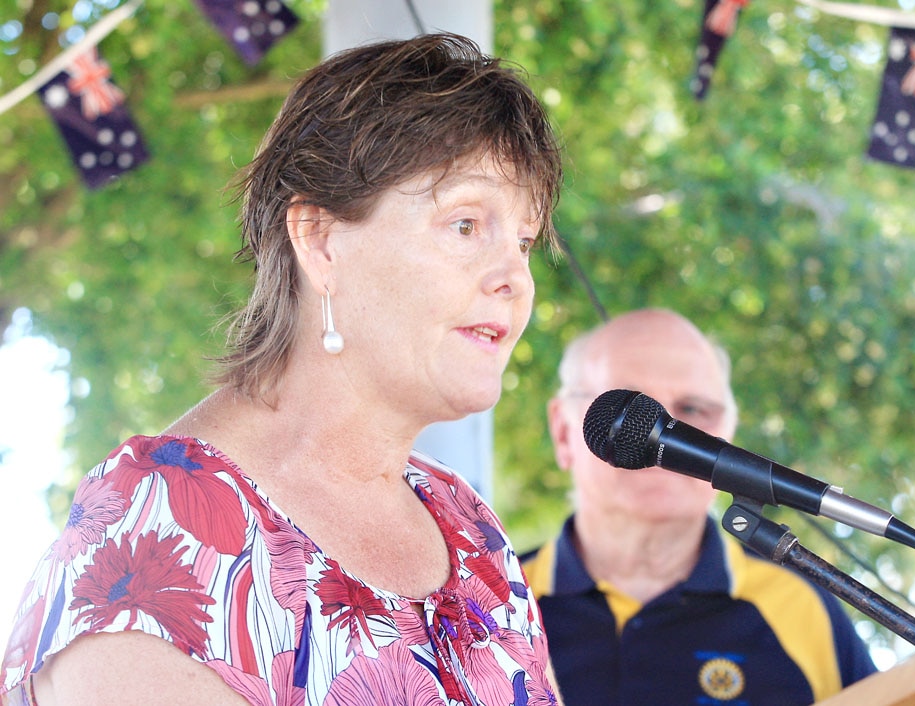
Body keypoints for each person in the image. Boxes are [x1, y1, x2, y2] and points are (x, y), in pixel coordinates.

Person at [0, 33, 563, 706]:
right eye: (466, 225)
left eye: (524, 240)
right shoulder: (156, 527)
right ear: (319, 241)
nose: (514, 279)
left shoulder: (470, 527)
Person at [520, 308, 877, 705]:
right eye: (631, 414)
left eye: (693, 411)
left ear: (728, 434)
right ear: (563, 431)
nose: (662, 438)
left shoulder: (803, 610)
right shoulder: (488, 602)